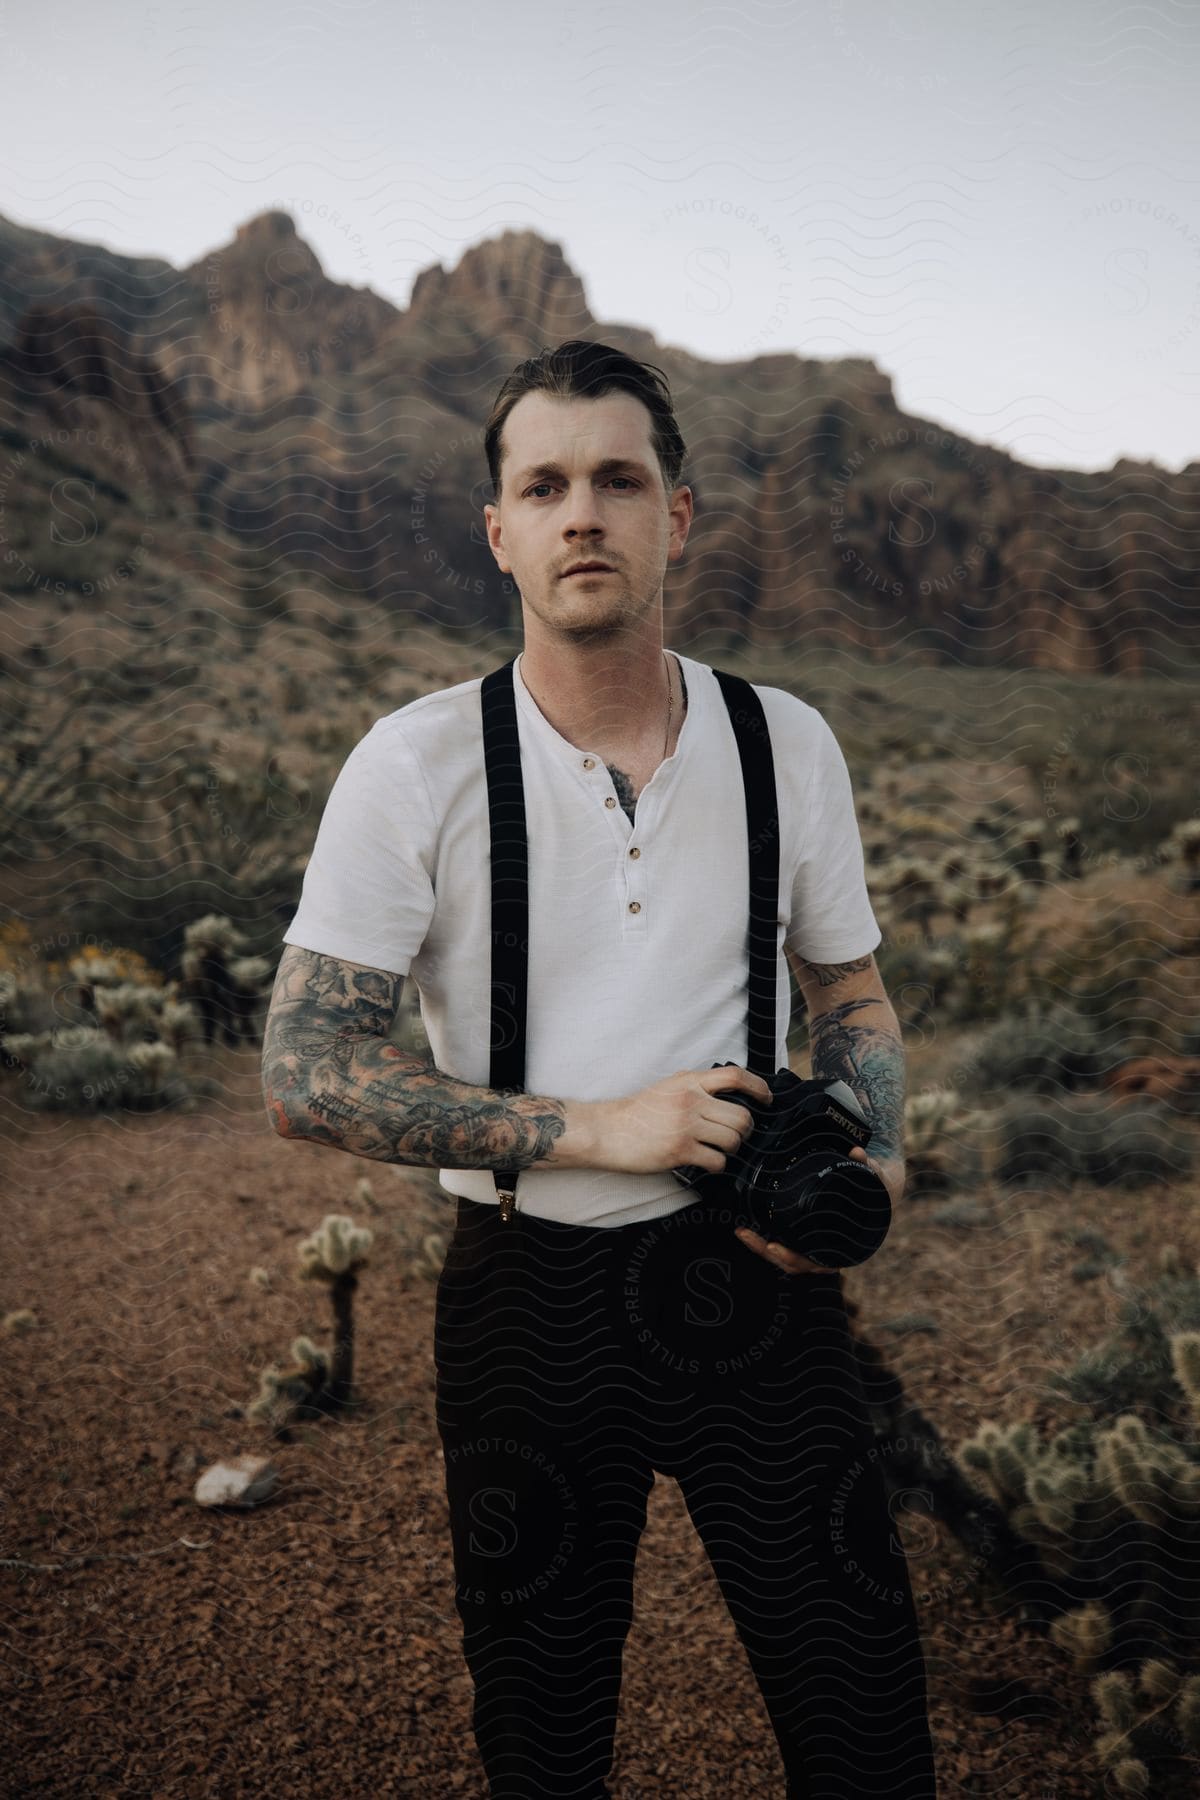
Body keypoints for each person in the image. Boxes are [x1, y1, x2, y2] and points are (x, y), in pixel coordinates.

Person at [262, 339, 938, 1798]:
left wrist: (870, 1159)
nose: (585, 515)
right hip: (526, 1299)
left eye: (619, 481)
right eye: (546, 485)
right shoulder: (415, 764)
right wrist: (597, 1128)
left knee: (866, 1716)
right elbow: (305, 1066)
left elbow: (852, 991)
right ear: (497, 530)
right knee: (546, 1729)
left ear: (674, 517)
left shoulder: (784, 742)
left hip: (761, 1286)